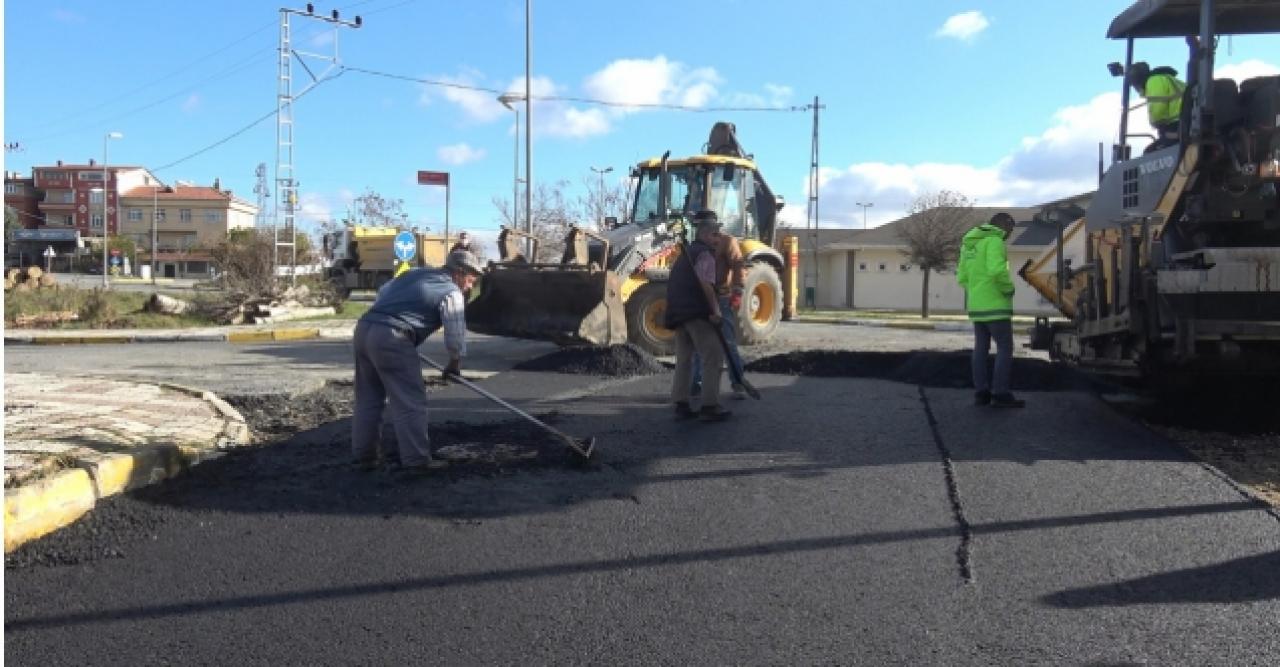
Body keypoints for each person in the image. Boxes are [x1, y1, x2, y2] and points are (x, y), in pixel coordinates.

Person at [351, 249, 485, 473]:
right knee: (409, 400)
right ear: (460, 273)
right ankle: (417, 461)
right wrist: (454, 365)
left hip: (364, 329)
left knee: (368, 398)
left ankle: (364, 457)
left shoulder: (414, 274)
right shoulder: (451, 292)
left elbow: (383, 293)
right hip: (393, 336)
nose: (470, 287)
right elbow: (455, 335)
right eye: (471, 280)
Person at [665, 210, 731, 422]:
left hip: (679, 314)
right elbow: (706, 285)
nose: (718, 239)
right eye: (715, 235)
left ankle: (681, 403)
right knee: (713, 357)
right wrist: (716, 311)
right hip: (696, 313)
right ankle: (710, 405)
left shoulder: (684, 255)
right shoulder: (704, 254)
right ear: (705, 234)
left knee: (684, 359)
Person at [957, 212, 1024, 408]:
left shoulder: (969, 245)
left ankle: (981, 393)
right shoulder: (994, 241)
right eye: (1010, 229)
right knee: (1005, 348)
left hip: (977, 306)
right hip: (995, 306)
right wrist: (1008, 289)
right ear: (1004, 225)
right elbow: (997, 270)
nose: (1010, 234)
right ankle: (1001, 393)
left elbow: (961, 277)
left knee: (980, 349)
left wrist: (977, 292)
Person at [690, 223, 748, 400]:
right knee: (700, 343)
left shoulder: (728, 242)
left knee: (727, 341)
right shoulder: (696, 246)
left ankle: (737, 382)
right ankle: (696, 383)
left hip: (722, 297)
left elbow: (738, 264)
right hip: (701, 298)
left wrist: (738, 290)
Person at [1128, 61, 1186, 153]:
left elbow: (1158, 111)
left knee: (1149, 153)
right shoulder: (1165, 78)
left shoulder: (1153, 81)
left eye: (1134, 84)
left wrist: (1157, 124)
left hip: (1178, 126)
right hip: (1186, 122)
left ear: (1138, 80)